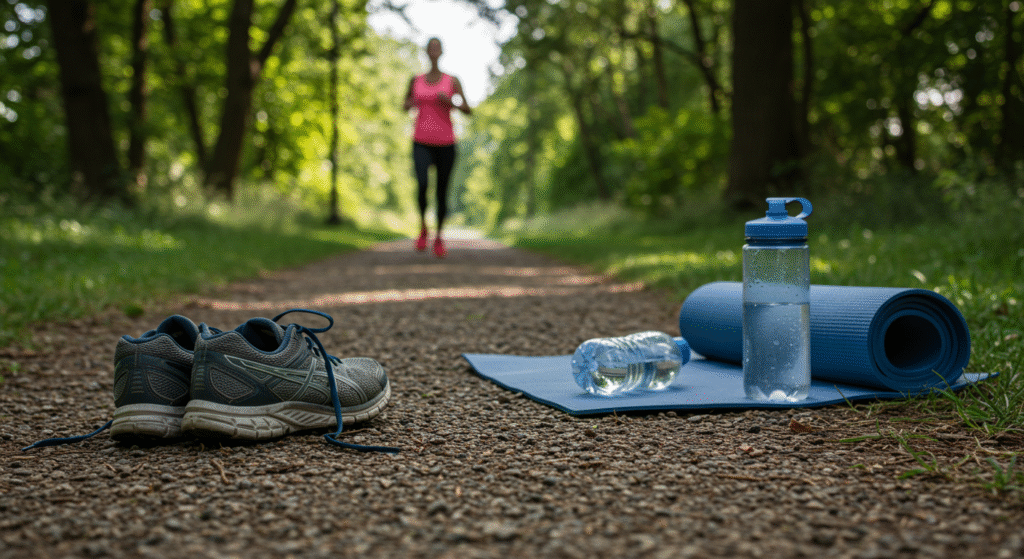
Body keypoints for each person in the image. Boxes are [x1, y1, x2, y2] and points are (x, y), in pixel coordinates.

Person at [403, 37, 472, 258]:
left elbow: (468, 109)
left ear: (441, 52)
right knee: (422, 185)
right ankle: (423, 228)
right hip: (421, 141)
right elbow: (404, 104)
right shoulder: (415, 80)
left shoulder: (452, 81)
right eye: (430, 47)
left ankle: (440, 238)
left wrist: (451, 103)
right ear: (426, 52)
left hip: (446, 143)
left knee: (442, 191)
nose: (434, 51)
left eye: (437, 47)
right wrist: (411, 103)